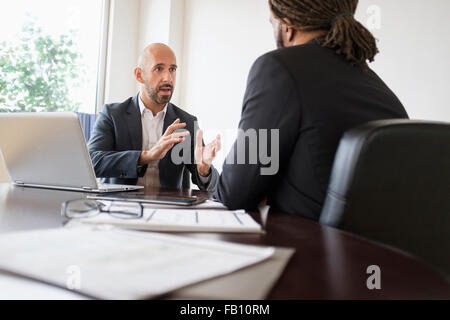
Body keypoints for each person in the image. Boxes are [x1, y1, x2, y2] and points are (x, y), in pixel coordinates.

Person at [214, 0, 409, 220]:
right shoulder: (377, 87)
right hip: (375, 251)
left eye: (273, 23)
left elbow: (235, 194)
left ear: (287, 27)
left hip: (310, 249)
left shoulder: (278, 68)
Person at [88, 43, 221, 191]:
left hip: (170, 209)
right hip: (121, 208)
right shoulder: (113, 115)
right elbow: (92, 162)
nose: (167, 78)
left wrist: (204, 170)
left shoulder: (187, 123)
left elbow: (210, 184)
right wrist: (146, 156)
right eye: (159, 69)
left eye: (172, 69)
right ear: (139, 75)